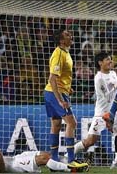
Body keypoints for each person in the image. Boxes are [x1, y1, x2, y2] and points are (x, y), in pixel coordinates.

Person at [73, 52, 117, 173]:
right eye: (108, 59)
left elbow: (116, 91)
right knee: (90, 141)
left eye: (111, 59)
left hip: (115, 111)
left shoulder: (112, 73)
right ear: (100, 62)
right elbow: (107, 97)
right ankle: (67, 156)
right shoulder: (99, 78)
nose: (110, 61)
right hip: (101, 113)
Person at [43, 28, 81, 166]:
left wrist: (67, 87)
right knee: (72, 123)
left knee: (56, 124)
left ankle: (54, 160)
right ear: (61, 40)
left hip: (55, 92)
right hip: (54, 93)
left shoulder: (65, 53)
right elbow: (52, 78)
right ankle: (71, 160)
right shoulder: (58, 54)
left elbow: (61, 77)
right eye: (66, 35)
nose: (70, 35)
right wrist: (60, 100)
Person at [0, 141, 88, 173]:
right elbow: (2, 171)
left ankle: (62, 165)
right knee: (44, 159)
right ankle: (71, 168)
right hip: (15, 166)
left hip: (16, 158)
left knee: (47, 155)